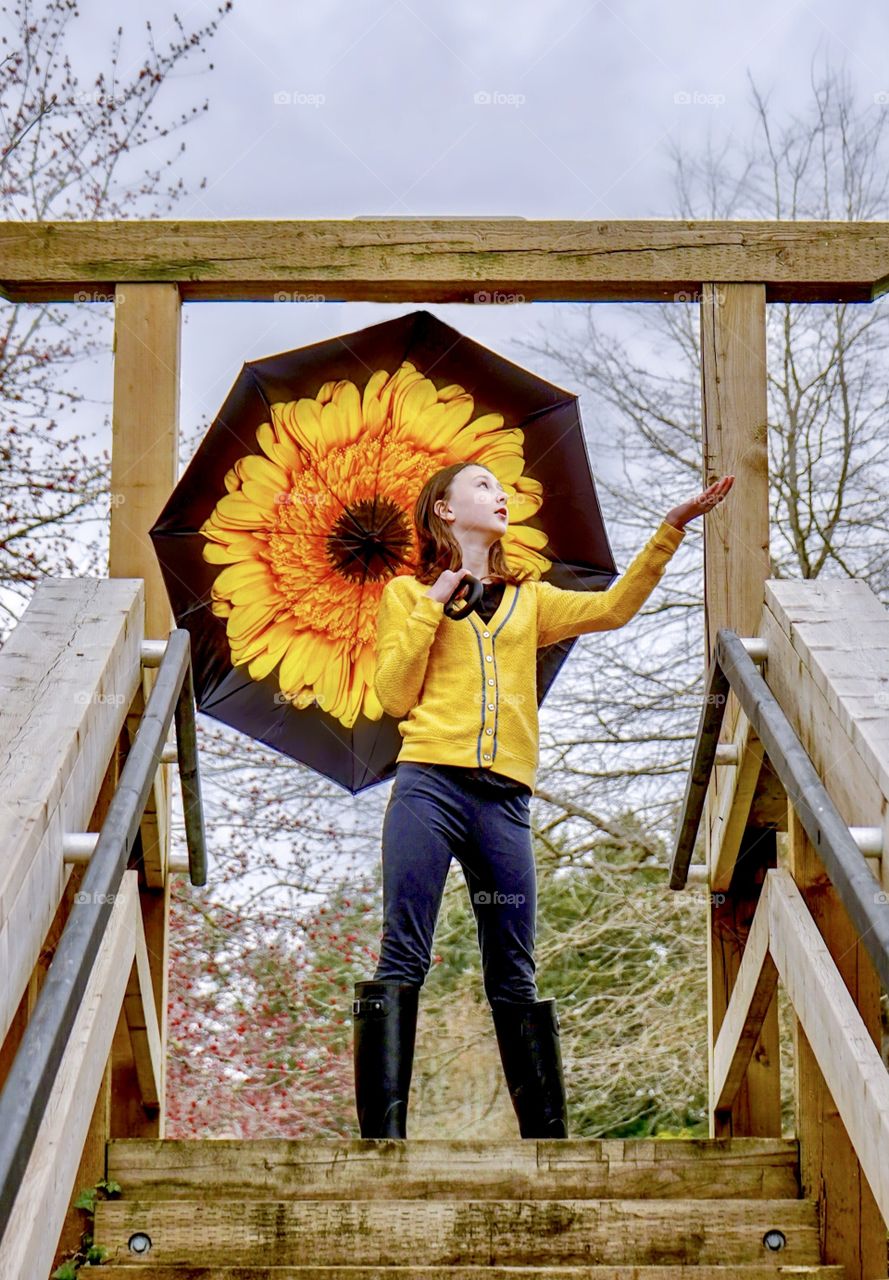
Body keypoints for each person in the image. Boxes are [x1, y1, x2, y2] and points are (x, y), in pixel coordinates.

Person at [353, 461, 734, 1140]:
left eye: (500, 487)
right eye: (481, 486)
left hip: (502, 805)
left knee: (515, 972)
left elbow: (612, 610)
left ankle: (548, 1149)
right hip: (427, 789)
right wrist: (433, 604)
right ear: (444, 510)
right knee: (403, 953)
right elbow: (392, 695)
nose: (498, 495)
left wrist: (670, 529)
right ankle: (381, 1144)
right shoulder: (406, 596)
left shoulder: (530, 602)